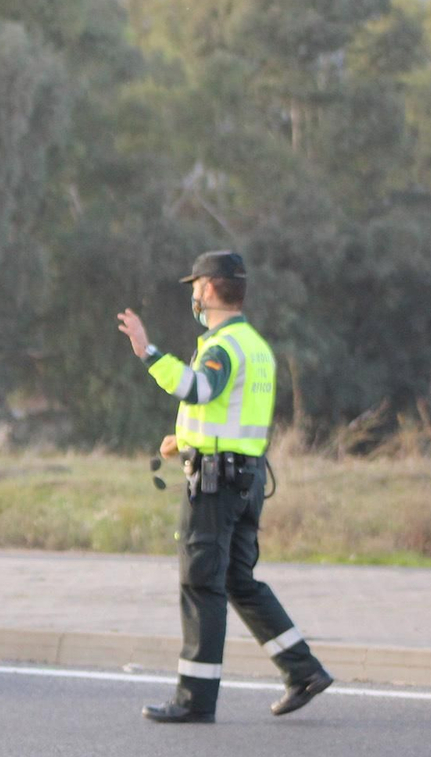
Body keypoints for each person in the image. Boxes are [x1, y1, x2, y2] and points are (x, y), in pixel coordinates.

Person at [116, 250, 333, 723]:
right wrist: (187, 440)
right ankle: (303, 671)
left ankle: (195, 700)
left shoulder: (222, 346)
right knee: (238, 580)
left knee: (201, 583)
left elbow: (200, 389)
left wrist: (148, 353)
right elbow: (232, 413)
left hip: (217, 483)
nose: (193, 296)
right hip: (247, 476)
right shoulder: (255, 346)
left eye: (195, 287)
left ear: (210, 289)